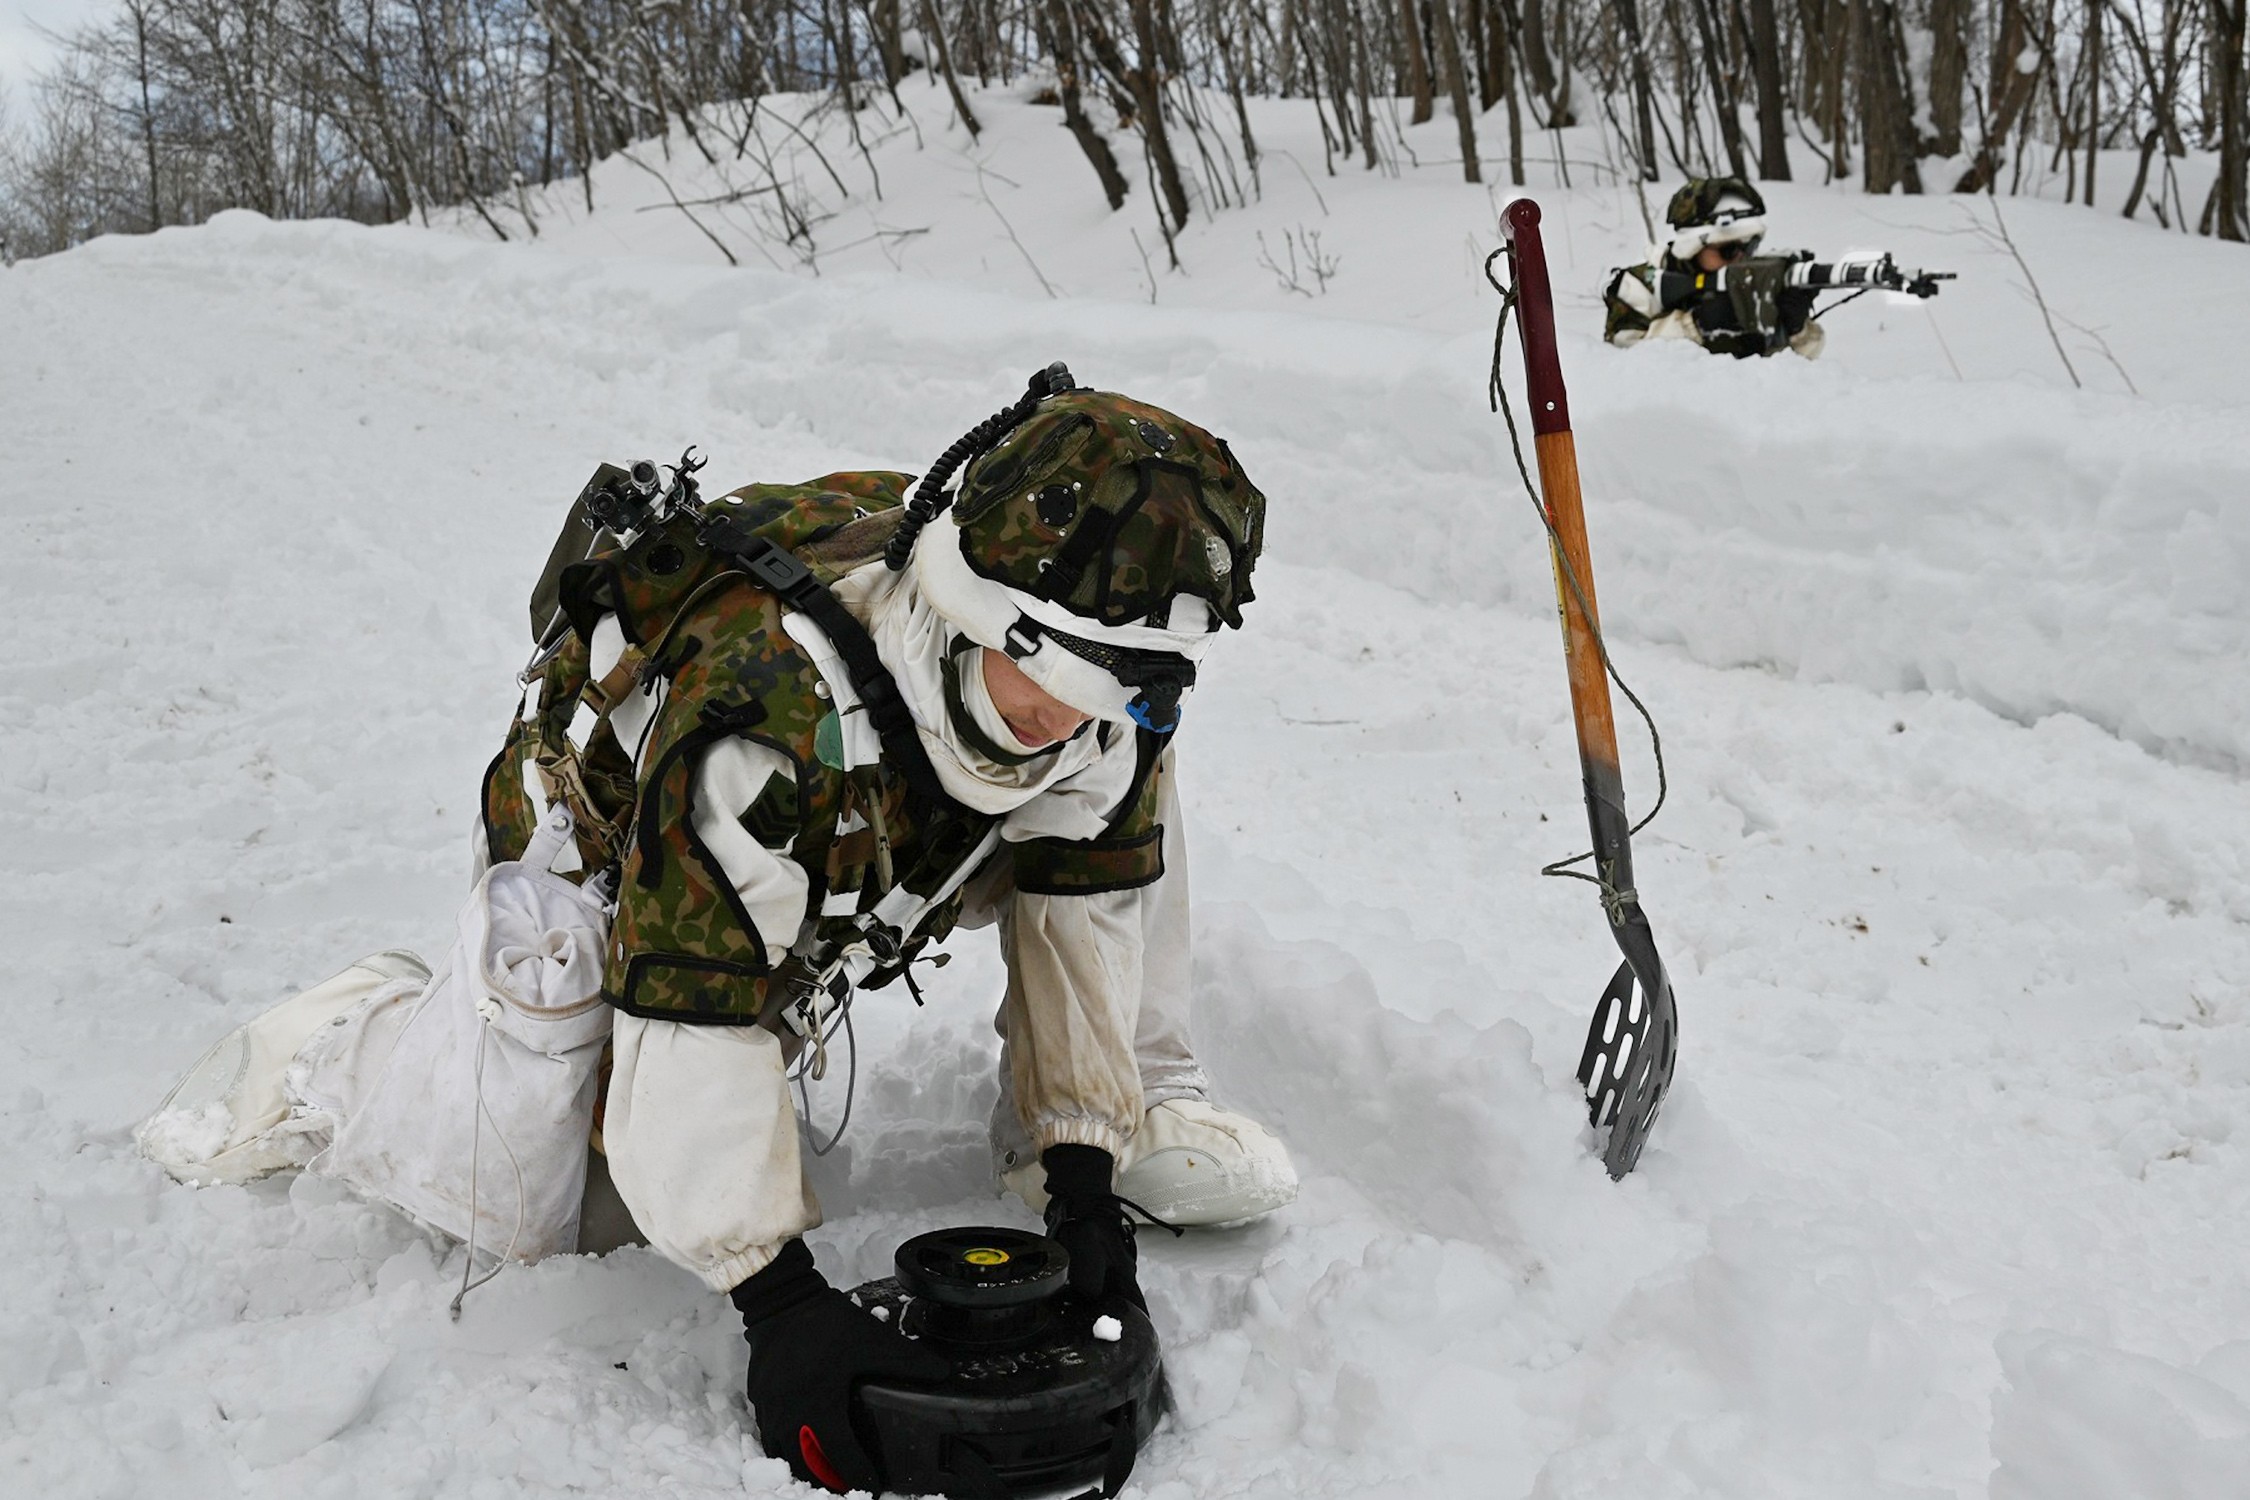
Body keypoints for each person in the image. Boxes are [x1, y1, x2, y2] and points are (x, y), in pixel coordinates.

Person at [483, 367, 1300, 1489]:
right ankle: (357, 1041)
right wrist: (777, 1302)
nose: (1065, 719)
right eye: (1050, 677)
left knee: (1124, 790)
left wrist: (1082, 1181)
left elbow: (1085, 913)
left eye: (1111, 688)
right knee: (553, 1205)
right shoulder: (763, 723)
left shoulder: (1100, 708)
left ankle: (1132, 1098)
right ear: (975, 617)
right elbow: (691, 1016)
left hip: (890, 825)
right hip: (612, 866)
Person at [1602, 177, 1825, 360]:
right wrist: (1695, 325)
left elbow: (1794, 373)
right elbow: (1622, 361)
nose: (1740, 259)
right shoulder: (1641, 285)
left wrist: (1795, 330)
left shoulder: (1752, 281)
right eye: (1728, 250)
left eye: (1749, 247)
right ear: (1693, 248)